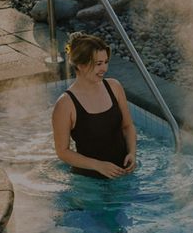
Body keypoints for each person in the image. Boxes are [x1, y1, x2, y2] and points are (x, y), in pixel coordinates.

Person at [52, 32, 137, 179]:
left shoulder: (114, 87)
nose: (104, 68)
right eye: (98, 64)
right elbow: (62, 151)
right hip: (89, 182)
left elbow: (127, 126)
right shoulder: (65, 104)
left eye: (106, 62)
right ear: (81, 65)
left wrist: (132, 153)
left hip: (124, 174)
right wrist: (98, 166)